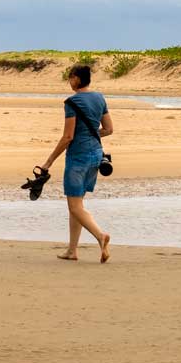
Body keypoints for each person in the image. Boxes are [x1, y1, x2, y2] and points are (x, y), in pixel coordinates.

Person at [40, 63, 114, 263]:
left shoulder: (72, 103)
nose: (69, 81)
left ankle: (101, 236)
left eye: (70, 77)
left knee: (74, 206)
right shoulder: (99, 98)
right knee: (77, 205)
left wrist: (48, 162)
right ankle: (72, 251)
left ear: (76, 79)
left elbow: (67, 137)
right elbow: (108, 129)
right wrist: (89, 135)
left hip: (78, 157)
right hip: (96, 155)